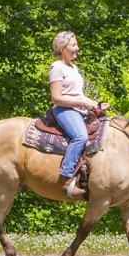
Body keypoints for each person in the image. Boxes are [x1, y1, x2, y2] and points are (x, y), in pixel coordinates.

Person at [49, 30, 109, 199]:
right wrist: (80, 103)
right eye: (74, 45)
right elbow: (56, 97)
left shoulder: (73, 68)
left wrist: (96, 104)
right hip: (64, 110)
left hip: (78, 108)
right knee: (80, 137)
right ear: (62, 48)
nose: (77, 48)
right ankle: (66, 180)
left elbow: (79, 95)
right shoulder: (57, 67)